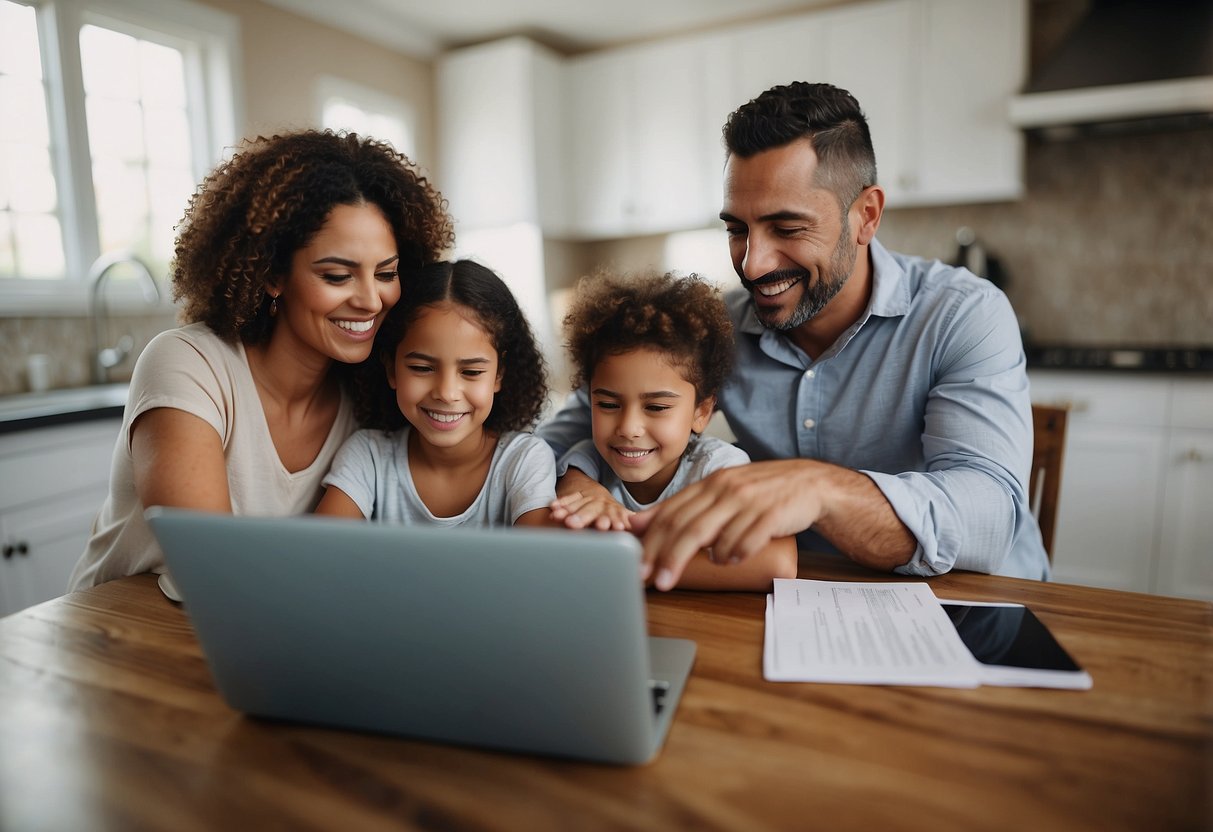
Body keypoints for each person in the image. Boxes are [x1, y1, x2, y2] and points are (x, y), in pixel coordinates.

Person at [540, 81, 1049, 591]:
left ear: (866, 216)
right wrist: (579, 477)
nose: (752, 262)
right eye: (737, 229)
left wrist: (821, 488)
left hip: (980, 601)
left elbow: (989, 517)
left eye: (787, 228)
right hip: (800, 596)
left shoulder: (963, 314)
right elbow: (555, 444)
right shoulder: (706, 330)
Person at [69, 130, 454, 590]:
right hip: (121, 634)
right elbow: (212, 562)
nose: (372, 300)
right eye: (337, 275)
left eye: (387, 274)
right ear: (272, 274)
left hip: (257, 628)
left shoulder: (373, 392)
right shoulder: (189, 364)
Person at [554, 269, 798, 590]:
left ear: (702, 412)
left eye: (656, 407)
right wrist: (578, 489)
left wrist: (620, 561)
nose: (628, 428)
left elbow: (777, 563)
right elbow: (567, 494)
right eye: (609, 405)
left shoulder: (717, 469)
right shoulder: (586, 462)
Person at [315, 259, 556, 527]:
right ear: (391, 370)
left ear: (499, 374)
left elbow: (539, 565)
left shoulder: (523, 461)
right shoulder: (368, 456)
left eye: (472, 372)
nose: (446, 393)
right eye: (422, 368)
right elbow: (319, 555)